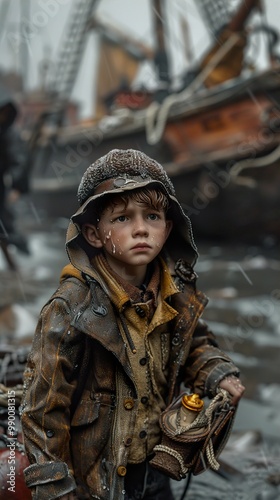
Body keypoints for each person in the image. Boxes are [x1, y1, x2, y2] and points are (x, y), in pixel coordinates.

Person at [20, 149, 245, 500]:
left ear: (168, 229)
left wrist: (217, 373)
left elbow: (195, 344)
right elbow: (43, 411)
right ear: (94, 234)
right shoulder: (71, 308)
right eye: (123, 219)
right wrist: (54, 487)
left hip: (158, 467)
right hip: (96, 475)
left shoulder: (177, 295)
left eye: (152, 216)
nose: (141, 229)